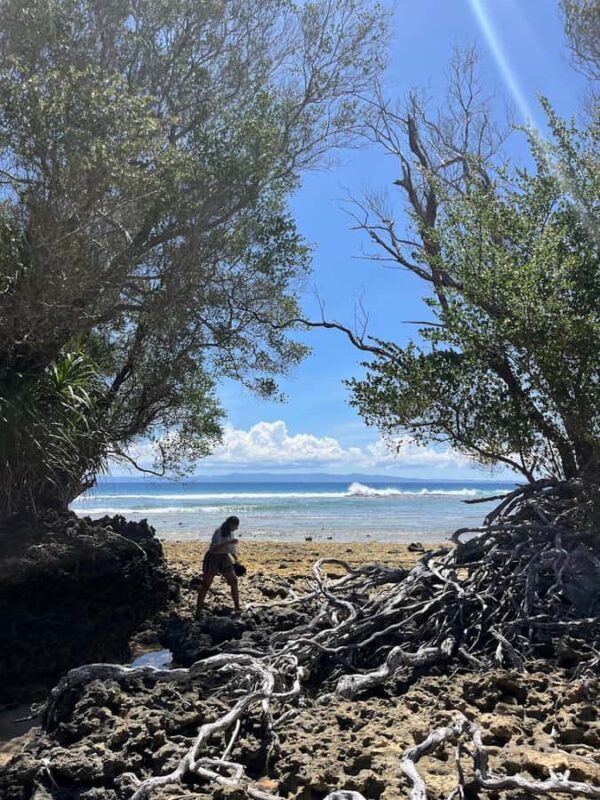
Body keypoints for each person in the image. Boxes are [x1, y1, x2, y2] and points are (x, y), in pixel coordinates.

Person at [195, 515, 241, 616]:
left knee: (233, 581)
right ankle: (198, 610)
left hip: (224, 558)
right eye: (236, 526)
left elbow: (230, 548)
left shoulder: (230, 533)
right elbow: (214, 548)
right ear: (230, 524)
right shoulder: (218, 532)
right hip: (213, 558)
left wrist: (235, 558)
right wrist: (229, 542)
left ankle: (237, 607)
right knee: (206, 585)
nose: (236, 528)